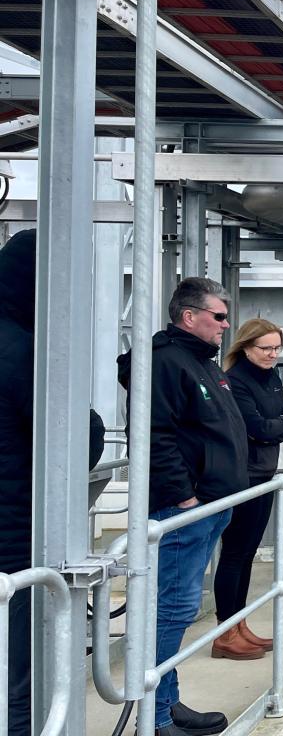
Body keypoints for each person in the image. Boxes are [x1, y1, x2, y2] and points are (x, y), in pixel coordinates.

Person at [117, 276, 248, 736]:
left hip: (211, 506)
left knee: (178, 608)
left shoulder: (202, 363)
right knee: (171, 609)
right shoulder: (168, 363)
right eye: (218, 316)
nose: (225, 325)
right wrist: (184, 497)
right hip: (184, 510)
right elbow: (156, 437)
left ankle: (168, 702)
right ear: (189, 316)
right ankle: (152, 716)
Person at [0, 230, 104, 736]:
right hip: (16, 530)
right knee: (21, 672)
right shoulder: (22, 350)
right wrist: (91, 423)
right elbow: (71, 440)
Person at [212, 320, 283, 661]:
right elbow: (258, 427)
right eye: (266, 348)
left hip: (265, 473)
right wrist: (273, 428)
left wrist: (272, 428)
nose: (272, 354)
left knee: (247, 553)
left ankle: (239, 623)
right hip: (243, 476)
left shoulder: (271, 378)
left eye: (276, 348)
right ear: (246, 347)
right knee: (234, 553)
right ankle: (225, 632)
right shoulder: (235, 381)